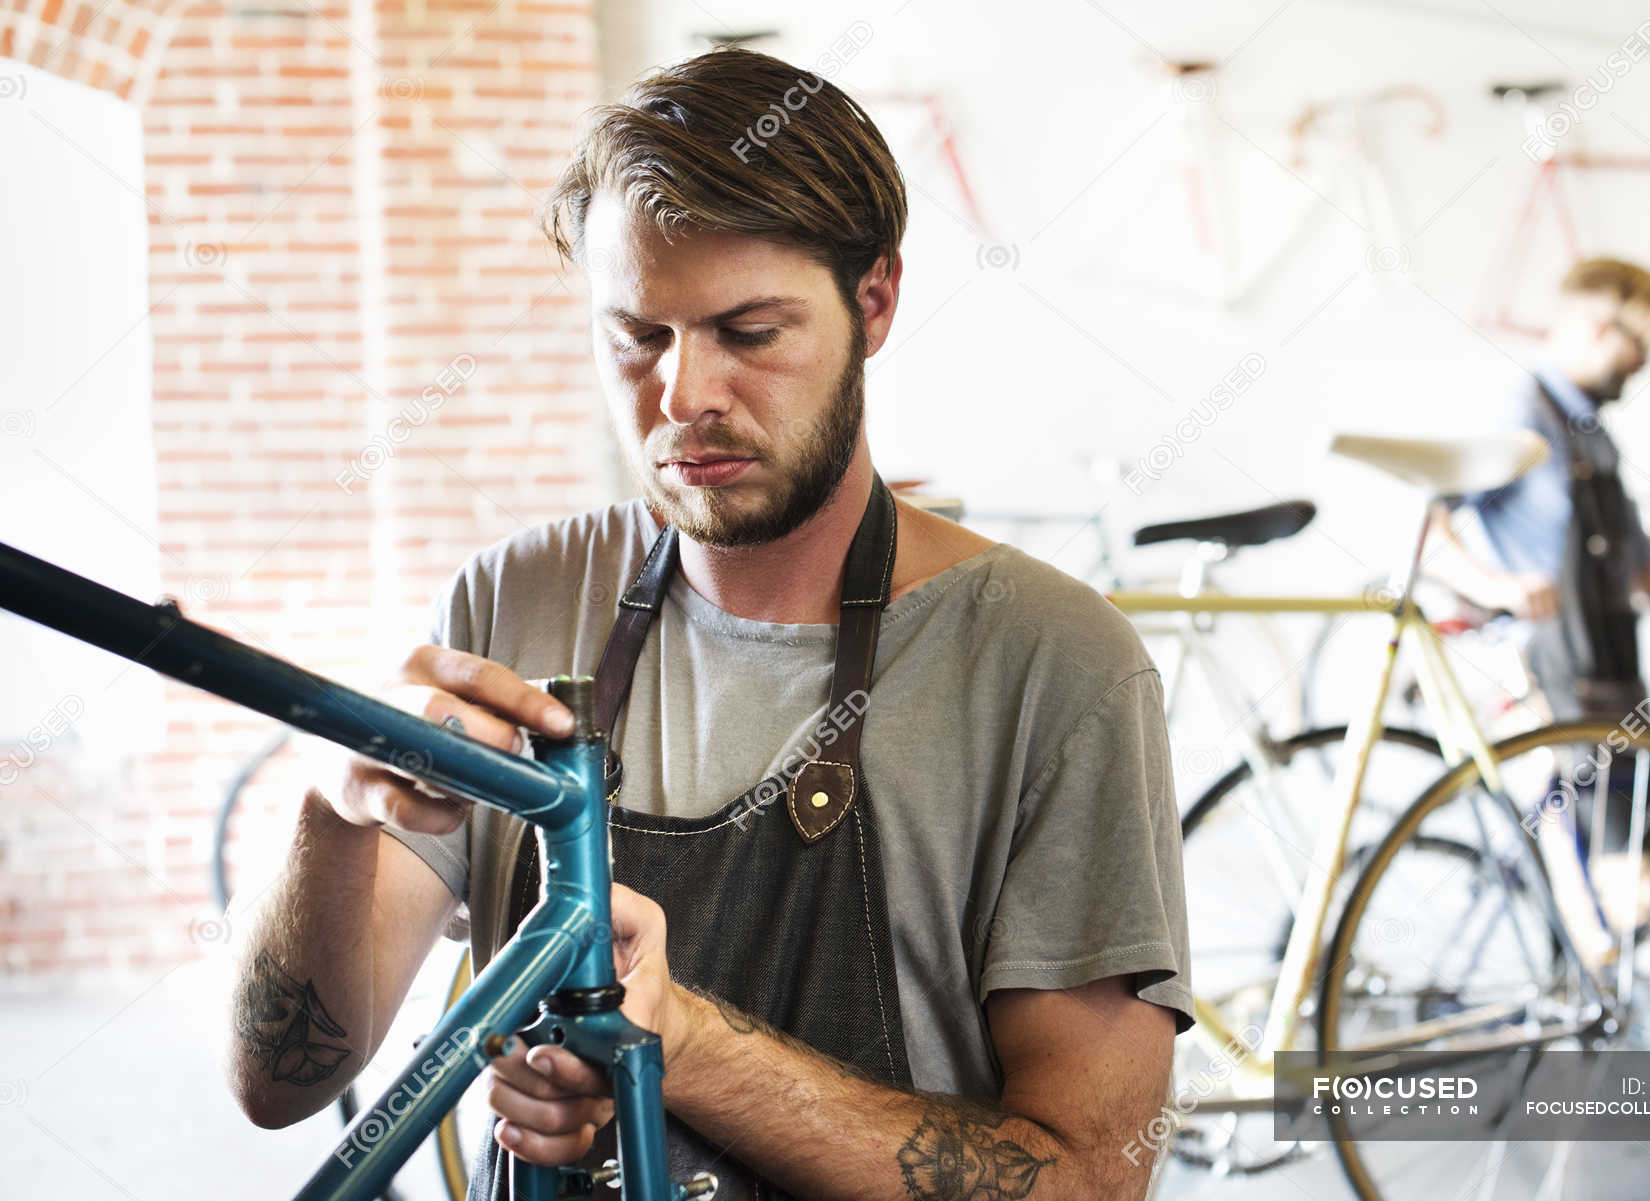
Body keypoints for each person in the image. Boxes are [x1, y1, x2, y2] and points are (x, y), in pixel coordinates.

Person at [225, 47, 1193, 1201]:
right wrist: (336, 808)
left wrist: (681, 1046)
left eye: (749, 330)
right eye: (636, 336)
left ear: (873, 300)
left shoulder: (1050, 665)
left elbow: (1090, 1180)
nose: (682, 396)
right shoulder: (514, 601)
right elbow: (282, 1082)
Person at [1428, 257, 1650, 940]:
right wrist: (1497, 587)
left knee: (1645, 890)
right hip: (1550, 681)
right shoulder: (1521, 415)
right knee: (1605, 906)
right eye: (1639, 338)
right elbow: (1427, 523)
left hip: (1613, 677)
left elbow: (1648, 569)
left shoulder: (1594, 436)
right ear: (1599, 324)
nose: (1644, 357)